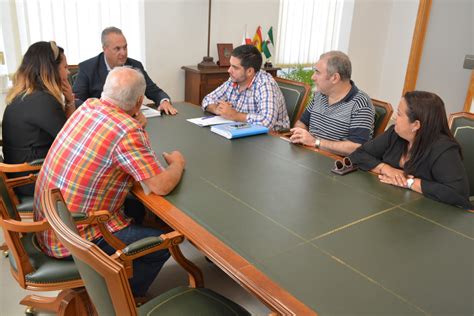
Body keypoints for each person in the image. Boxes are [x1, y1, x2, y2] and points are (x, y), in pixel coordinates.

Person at [34, 66, 186, 298]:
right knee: (160, 245)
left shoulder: (87, 107)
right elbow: (160, 186)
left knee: (134, 207)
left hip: (49, 225)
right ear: (138, 103)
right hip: (73, 241)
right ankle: (122, 300)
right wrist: (177, 163)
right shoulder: (127, 130)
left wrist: (134, 123)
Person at [350, 91, 472, 210]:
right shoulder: (395, 134)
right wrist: (387, 169)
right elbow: (359, 154)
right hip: (393, 203)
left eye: (399, 114)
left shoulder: (444, 149)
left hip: (430, 216)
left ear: (415, 125)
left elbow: (458, 194)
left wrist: (409, 182)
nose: (395, 118)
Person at [2, 41, 75, 196]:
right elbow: (72, 142)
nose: (68, 73)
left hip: (19, 176)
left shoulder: (24, 96)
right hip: (31, 179)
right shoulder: (43, 101)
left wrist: (70, 102)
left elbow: (66, 133)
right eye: (65, 67)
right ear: (52, 69)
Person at [73, 26, 177, 115]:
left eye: (125, 47)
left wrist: (164, 101)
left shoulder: (135, 65)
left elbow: (153, 90)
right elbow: (77, 101)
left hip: (132, 118)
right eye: (117, 49)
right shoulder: (88, 68)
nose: (123, 53)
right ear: (105, 49)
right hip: (102, 120)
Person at [290, 51, 374, 156]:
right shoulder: (320, 94)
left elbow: (356, 147)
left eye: (317, 72)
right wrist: (300, 133)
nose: (313, 77)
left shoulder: (361, 104)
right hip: (308, 154)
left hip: (336, 163)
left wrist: (315, 142)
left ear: (335, 78)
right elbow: (302, 122)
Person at [202, 44, 289, 130]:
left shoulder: (265, 84)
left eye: (235, 67)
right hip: (241, 129)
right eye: (230, 65)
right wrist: (217, 109)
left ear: (250, 71)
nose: (229, 70)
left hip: (271, 137)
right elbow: (207, 99)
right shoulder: (234, 80)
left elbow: (267, 122)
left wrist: (235, 115)